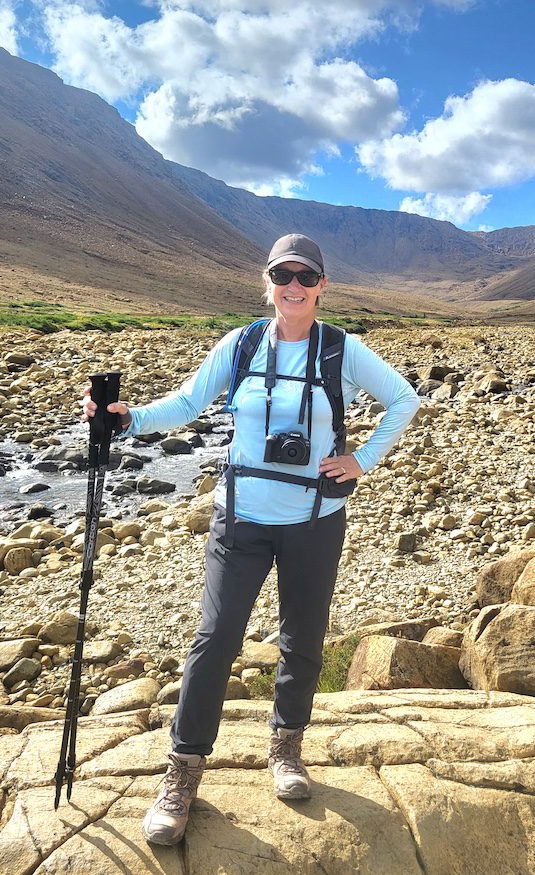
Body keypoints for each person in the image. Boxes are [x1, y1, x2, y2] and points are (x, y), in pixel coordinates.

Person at [81, 233, 420, 846]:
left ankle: (286, 751)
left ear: (322, 287)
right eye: (282, 275)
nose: (293, 286)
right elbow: (187, 403)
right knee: (214, 642)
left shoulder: (342, 350)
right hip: (239, 519)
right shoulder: (240, 346)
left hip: (315, 519)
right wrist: (128, 418)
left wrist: (364, 459)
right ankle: (181, 775)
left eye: (305, 277)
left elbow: (403, 399)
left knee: (303, 639)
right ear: (267, 283)